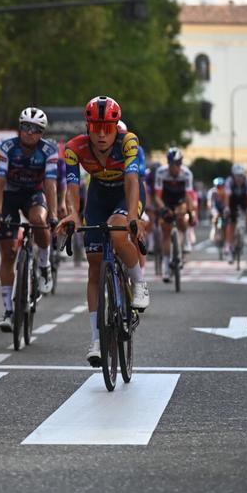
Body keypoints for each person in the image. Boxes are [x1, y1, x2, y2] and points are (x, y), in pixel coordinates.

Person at [56, 96, 150, 366]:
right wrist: (73, 214)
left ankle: (140, 284)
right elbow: (72, 187)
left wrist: (133, 216)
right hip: (98, 196)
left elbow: (133, 179)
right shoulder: (75, 148)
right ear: (87, 126)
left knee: (118, 231)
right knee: (95, 264)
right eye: (95, 127)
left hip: (125, 194)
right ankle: (97, 340)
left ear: (115, 129)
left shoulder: (128, 142)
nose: (100, 134)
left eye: (107, 128)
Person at [0, 107, 58, 331]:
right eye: (25, 127)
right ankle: (8, 311)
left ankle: (44, 263)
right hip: (10, 193)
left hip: (34, 193)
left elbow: (50, 183)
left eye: (35, 129)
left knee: (38, 220)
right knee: (8, 252)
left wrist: (54, 214)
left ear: (42, 133)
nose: (29, 133)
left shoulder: (49, 149)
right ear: (20, 128)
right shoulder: (7, 147)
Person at [153, 147, 197, 282]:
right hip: (165, 200)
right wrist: (163, 209)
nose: (175, 168)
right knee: (166, 232)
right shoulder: (161, 172)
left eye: (178, 165)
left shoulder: (187, 174)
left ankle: (186, 240)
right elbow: (157, 196)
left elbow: (189, 196)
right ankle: (167, 266)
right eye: (172, 165)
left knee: (182, 217)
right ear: (168, 164)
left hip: (180, 200)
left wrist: (190, 212)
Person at [224, 163, 247, 258]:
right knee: (231, 223)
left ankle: (245, 233)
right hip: (232, 201)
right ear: (233, 175)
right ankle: (228, 244)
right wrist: (227, 207)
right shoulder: (229, 181)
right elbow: (227, 195)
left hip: (244, 201)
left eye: (241, 175)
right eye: (237, 176)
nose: (239, 178)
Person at [207, 176, 227, 243]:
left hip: (223, 207)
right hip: (215, 207)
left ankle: (226, 234)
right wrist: (211, 209)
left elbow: (227, 203)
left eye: (221, 186)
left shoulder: (226, 191)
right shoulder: (212, 192)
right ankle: (214, 228)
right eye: (218, 186)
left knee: (226, 218)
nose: (220, 188)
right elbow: (209, 202)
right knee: (215, 216)